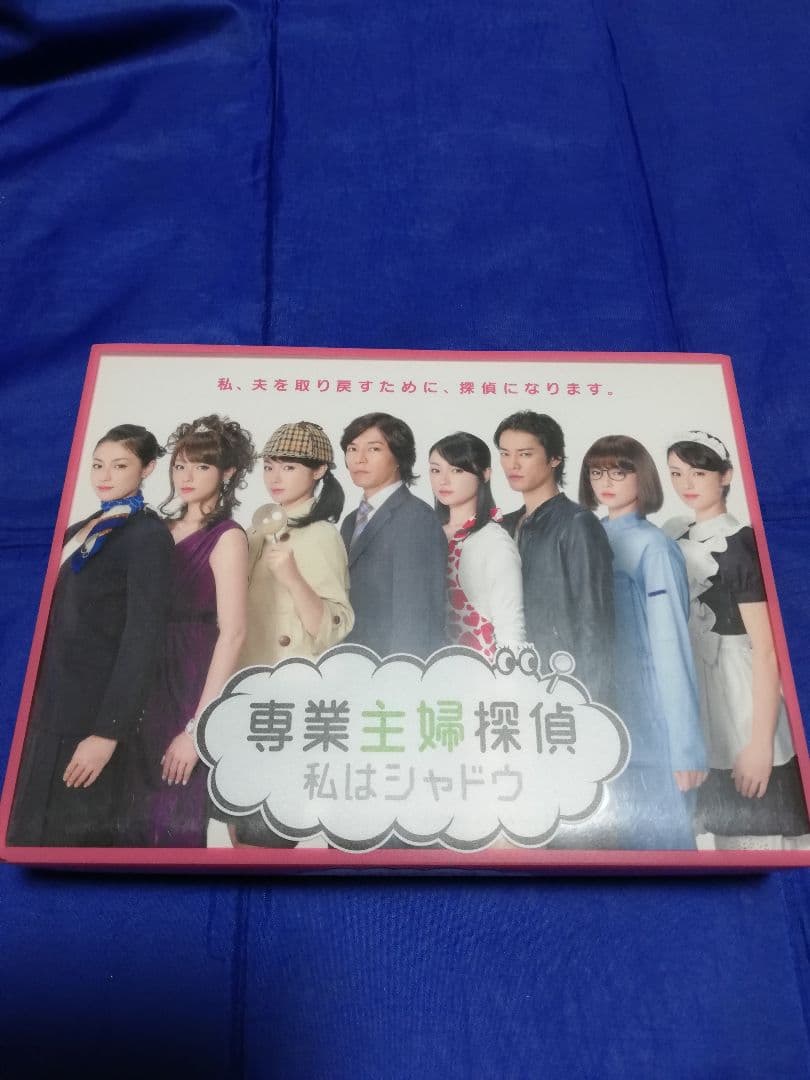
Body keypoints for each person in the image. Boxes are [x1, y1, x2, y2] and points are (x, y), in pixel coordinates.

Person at [8, 425, 173, 846]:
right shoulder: (82, 526)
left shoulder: (149, 536)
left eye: (120, 466)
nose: (105, 476)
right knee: (25, 830)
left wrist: (107, 733)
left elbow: (143, 638)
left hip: (91, 717)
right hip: (48, 708)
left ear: (148, 468)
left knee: (68, 837)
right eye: (98, 465)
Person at [666, 431, 810, 848]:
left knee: (761, 833)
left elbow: (765, 651)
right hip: (702, 693)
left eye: (698, 473)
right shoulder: (676, 538)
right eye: (676, 473)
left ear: (726, 475)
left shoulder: (740, 545)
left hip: (742, 692)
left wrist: (760, 745)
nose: (686, 483)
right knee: (720, 835)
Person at [121, 415, 254, 847]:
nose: (187, 476)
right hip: (143, 673)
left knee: (172, 814)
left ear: (227, 473)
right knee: (127, 814)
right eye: (180, 466)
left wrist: (198, 729)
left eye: (201, 466)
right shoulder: (156, 529)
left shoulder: (227, 537)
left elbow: (233, 633)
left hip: (189, 678)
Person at [579, 435, 707, 849]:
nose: (606, 482)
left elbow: (672, 648)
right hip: (600, 715)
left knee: (661, 845)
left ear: (643, 477)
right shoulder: (588, 535)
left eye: (619, 472)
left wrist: (685, 749)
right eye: (597, 472)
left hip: (651, 723)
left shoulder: (655, 547)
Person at [233, 421, 354, 848]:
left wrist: (292, 577)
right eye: (269, 466)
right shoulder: (255, 532)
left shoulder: (320, 535)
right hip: (243, 692)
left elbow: (335, 625)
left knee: (264, 836)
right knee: (238, 828)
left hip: (286, 701)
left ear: (318, 471)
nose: (275, 477)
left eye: (288, 467)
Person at [494, 411, 615, 704]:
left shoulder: (577, 523)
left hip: (564, 680)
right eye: (505, 454)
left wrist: (591, 704)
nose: (512, 464)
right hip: (515, 677)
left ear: (554, 459)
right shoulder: (503, 526)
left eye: (525, 454)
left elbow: (594, 623)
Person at [340, 412, 447, 660]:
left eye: (374, 449)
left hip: (392, 665)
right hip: (352, 661)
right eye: (352, 449)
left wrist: (401, 672)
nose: (360, 458)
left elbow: (416, 614)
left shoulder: (416, 517)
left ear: (399, 456)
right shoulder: (350, 521)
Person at [428, 431, 525, 659]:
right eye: (436, 470)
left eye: (457, 470)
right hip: (430, 666)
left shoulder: (493, 541)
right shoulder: (428, 534)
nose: (443, 480)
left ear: (485, 474)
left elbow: (511, 626)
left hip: (481, 668)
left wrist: (509, 677)